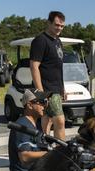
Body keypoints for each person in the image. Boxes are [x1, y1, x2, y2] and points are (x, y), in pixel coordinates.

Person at [30, 11, 66, 140]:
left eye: (62, 26)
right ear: (49, 23)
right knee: (60, 121)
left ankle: (45, 148)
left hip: (57, 88)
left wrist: (63, 89)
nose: (59, 28)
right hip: (47, 89)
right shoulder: (40, 41)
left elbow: (58, 67)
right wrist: (41, 93)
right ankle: (62, 154)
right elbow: (34, 66)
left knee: (47, 119)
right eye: (56, 25)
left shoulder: (58, 41)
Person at [9, 89, 50, 171]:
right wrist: (50, 154)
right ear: (30, 105)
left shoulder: (36, 124)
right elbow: (24, 157)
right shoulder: (22, 126)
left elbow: (41, 146)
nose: (44, 106)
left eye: (46, 102)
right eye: (41, 102)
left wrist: (48, 124)